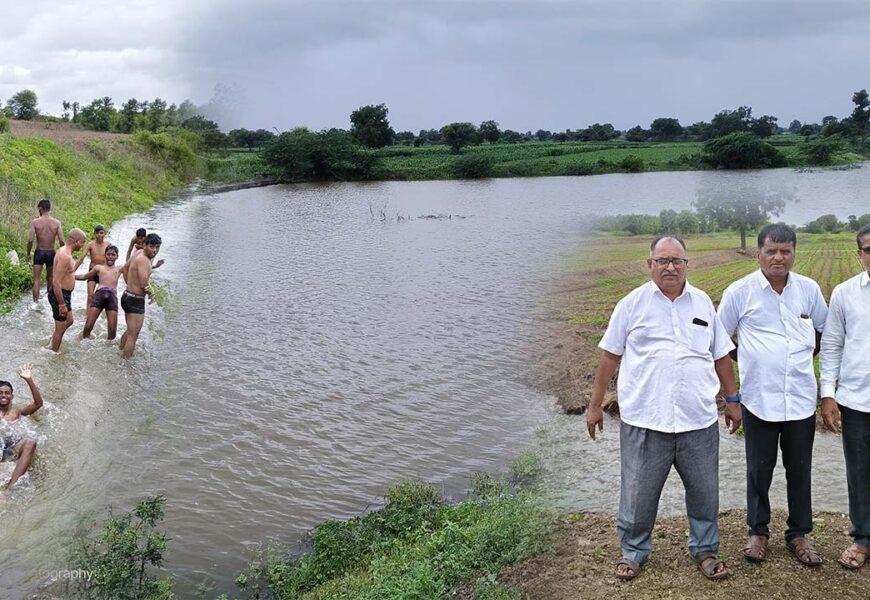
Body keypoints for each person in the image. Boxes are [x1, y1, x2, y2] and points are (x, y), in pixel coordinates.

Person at [586, 236, 739, 581]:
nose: (670, 267)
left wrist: (732, 401)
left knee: (704, 493)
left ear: (687, 264)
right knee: (637, 494)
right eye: (663, 261)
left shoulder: (702, 303)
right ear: (650, 264)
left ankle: (705, 549)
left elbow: (720, 356)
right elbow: (610, 356)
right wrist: (595, 406)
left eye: (677, 261)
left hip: (697, 420)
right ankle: (633, 551)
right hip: (645, 420)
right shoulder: (631, 304)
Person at [718, 223, 828, 566]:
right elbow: (719, 341)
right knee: (758, 470)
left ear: (794, 254)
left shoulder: (808, 290)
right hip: (758, 400)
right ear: (759, 254)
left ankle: (799, 534)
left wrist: (798, 359)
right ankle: (758, 532)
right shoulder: (740, 292)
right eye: (771, 251)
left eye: (785, 251)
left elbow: (823, 331)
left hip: (800, 399)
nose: (778, 258)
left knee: (800, 469)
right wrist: (749, 362)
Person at [819, 223, 870, 570]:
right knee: (859, 473)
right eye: (869, 249)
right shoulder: (845, 293)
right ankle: (863, 538)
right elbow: (832, 344)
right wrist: (828, 393)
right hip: (857, 400)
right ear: (859, 254)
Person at [0, 364, 43, 489]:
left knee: (30, 442)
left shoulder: (17, 411)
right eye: (0, 393)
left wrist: (29, 380)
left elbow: (38, 404)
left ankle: (12, 485)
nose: (3, 395)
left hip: (12, 450)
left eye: (7, 393)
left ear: (12, 396)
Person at [120, 233, 161, 358]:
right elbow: (144, 284)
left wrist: (130, 285)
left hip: (127, 296)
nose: (154, 250)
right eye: (152, 246)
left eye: (157, 247)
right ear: (144, 245)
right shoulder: (144, 260)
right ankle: (125, 363)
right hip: (135, 301)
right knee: (133, 336)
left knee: (130, 332)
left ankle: (120, 353)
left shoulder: (138, 253)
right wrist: (152, 294)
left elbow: (124, 268)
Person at [48, 228, 86, 352]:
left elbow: (68, 273)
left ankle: (54, 340)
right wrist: (62, 304)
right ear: (76, 241)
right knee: (60, 328)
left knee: (69, 321)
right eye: (82, 242)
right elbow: (56, 282)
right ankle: (53, 354)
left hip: (65, 294)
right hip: (59, 294)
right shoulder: (65, 256)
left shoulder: (65, 253)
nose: (82, 245)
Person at [75, 244, 123, 339]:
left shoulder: (119, 269)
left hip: (112, 299)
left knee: (112, 331)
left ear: (117, 257)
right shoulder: (98, 268)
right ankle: (83, 341)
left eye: (113, 255)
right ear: (105, 255)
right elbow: (84, 277)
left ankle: (108, 346)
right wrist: (70, 276)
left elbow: (133, 269)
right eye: (108, 254)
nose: (110, 257)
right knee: (88, 326)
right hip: (99, 296)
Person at [25, 199, 64, 304]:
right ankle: (49, 303)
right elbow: (62, 241)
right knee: (50, 278)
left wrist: (28, 253)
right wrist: (62, 254)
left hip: (39, 253)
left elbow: (30, 240)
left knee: (36, 279)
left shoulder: (35, 222)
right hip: (51, 253)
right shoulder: (57, 223)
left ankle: (35, 304)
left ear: (40, 208)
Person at [74, 224, 110, 309]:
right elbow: (81, 258)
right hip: (92, 271)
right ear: (94, 234)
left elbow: (111, 259)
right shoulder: (91, 244)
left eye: (101, 233)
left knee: (104, 296)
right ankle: (88, 315)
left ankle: (100, 313)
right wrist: (73, 271)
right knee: (90, 296)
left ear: (105, 233)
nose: (99, 235)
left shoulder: (108, 245)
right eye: (97, 233)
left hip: (103, 272)